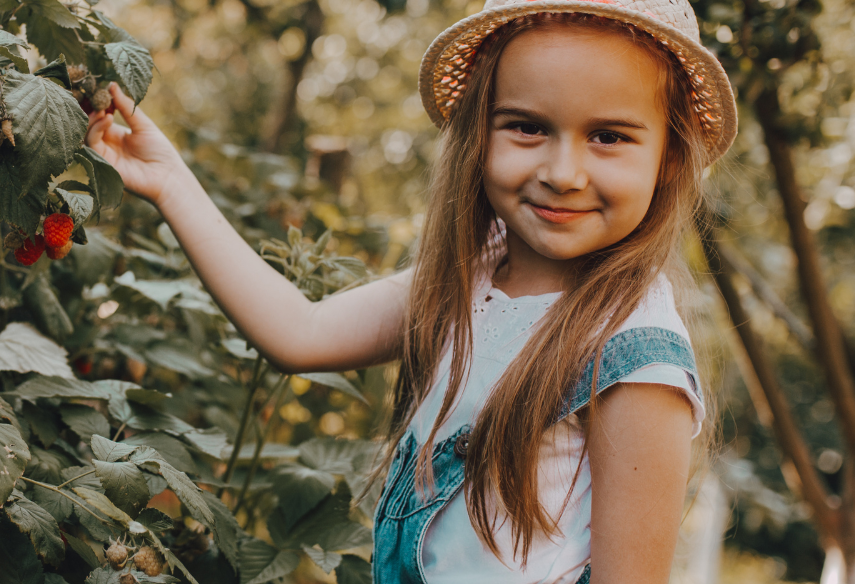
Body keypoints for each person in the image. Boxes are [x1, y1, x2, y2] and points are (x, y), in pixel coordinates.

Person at [83, 0, 738, 579]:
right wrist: (169, 181)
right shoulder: (474, 272)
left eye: (608, 137)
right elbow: (299, 334)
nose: (563, 172)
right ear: (479, 132)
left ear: (670, 157)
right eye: (528, 127)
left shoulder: (633, 357)